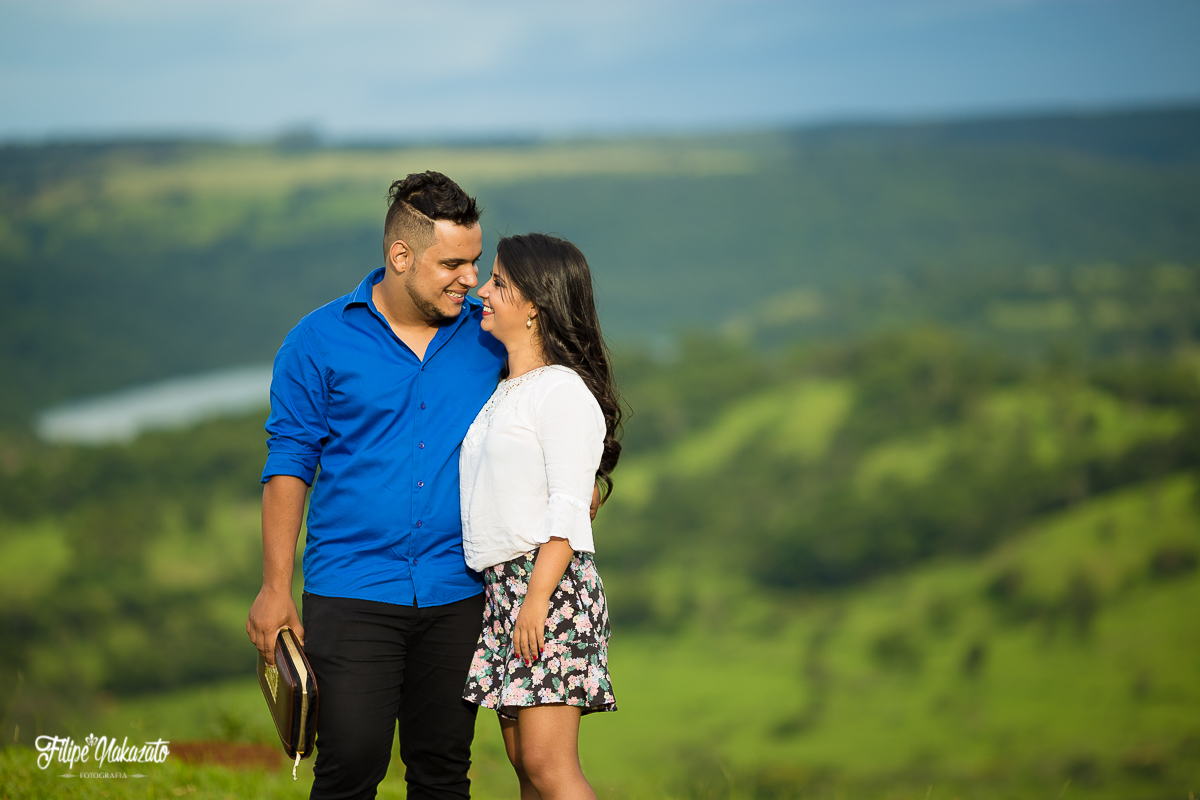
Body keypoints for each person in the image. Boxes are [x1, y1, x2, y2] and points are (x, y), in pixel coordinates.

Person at [246, 171, 509, 799]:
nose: (470, 278)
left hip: (459, 589)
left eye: (475, 261)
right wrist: (274, 588)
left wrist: (589, 479)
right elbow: (289, 464)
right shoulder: (316, 341)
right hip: (354, 588)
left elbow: (555, 403)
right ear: (400, 256)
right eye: (452, 263)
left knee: (443, 769)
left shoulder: (489, 337)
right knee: (350, 765)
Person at [459, 233, 622, 800]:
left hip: (545, 588)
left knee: (550, 766)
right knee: (525, 768)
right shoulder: (508, 388)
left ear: (534, 305)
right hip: (506, 590)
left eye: (499, 282)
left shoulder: (561, 391)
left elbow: (571, 510)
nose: (484, 290)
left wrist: (535, 597)